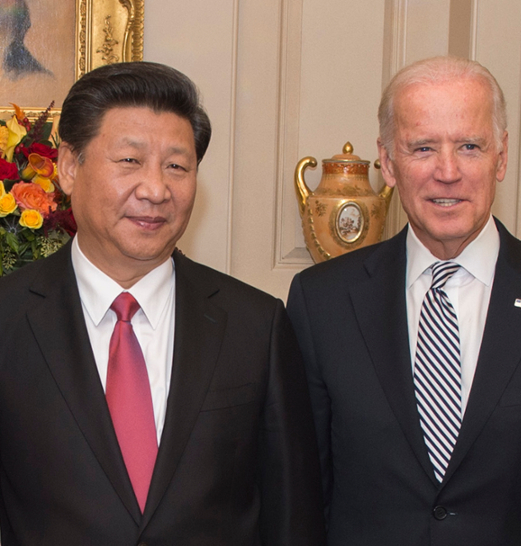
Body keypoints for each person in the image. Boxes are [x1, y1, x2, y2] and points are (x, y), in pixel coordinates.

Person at [0, 61, 325, 545]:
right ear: (69, 166)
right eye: (129, 161)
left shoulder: (256, 327)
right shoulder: (8, 319)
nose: (156, 190)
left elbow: (292, 519)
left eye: (177, 166)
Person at [287, 55, 521, 546]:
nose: (447, 172)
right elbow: (305, 499)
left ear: (502, 156)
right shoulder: (321, 302)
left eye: (470, 146)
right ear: (387, 163)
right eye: (423, 148)